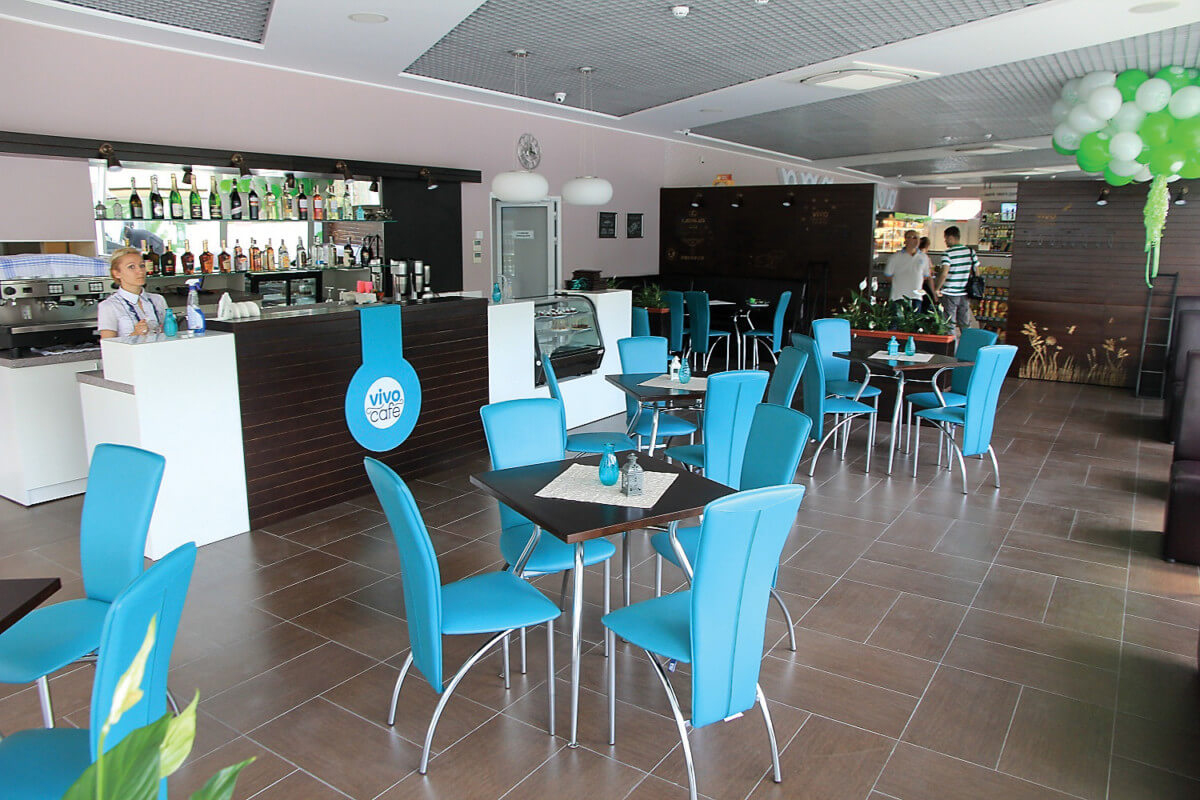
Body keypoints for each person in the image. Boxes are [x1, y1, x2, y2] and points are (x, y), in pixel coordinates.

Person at [96, 247, 170, 339]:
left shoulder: (158, 300)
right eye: (131, 267)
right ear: (117, 273)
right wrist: (135, 334)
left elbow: (169, 335)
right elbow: (108, 345)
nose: (140, 271)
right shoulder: (109, 306)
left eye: (142, 266)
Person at [936, 226, 978, 338]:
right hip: (965, 293)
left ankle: (951, 346)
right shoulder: (970, 252)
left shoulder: (948, 253)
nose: (945, 241)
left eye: (945, 238)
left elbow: (944, 273)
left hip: (950, 292)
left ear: (950, 237)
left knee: (949, 323)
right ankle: (967, 344)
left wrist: (937, 288)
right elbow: (977, 271)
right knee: (965, 322)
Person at [882, 229, 928, 311]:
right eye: (911, 237)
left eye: (917, 238)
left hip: (916, 297)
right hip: (898, 297)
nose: (915, 240)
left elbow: (925, 276)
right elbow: (888, 276)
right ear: (905, 240)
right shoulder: (895, 257)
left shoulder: (924, 257)